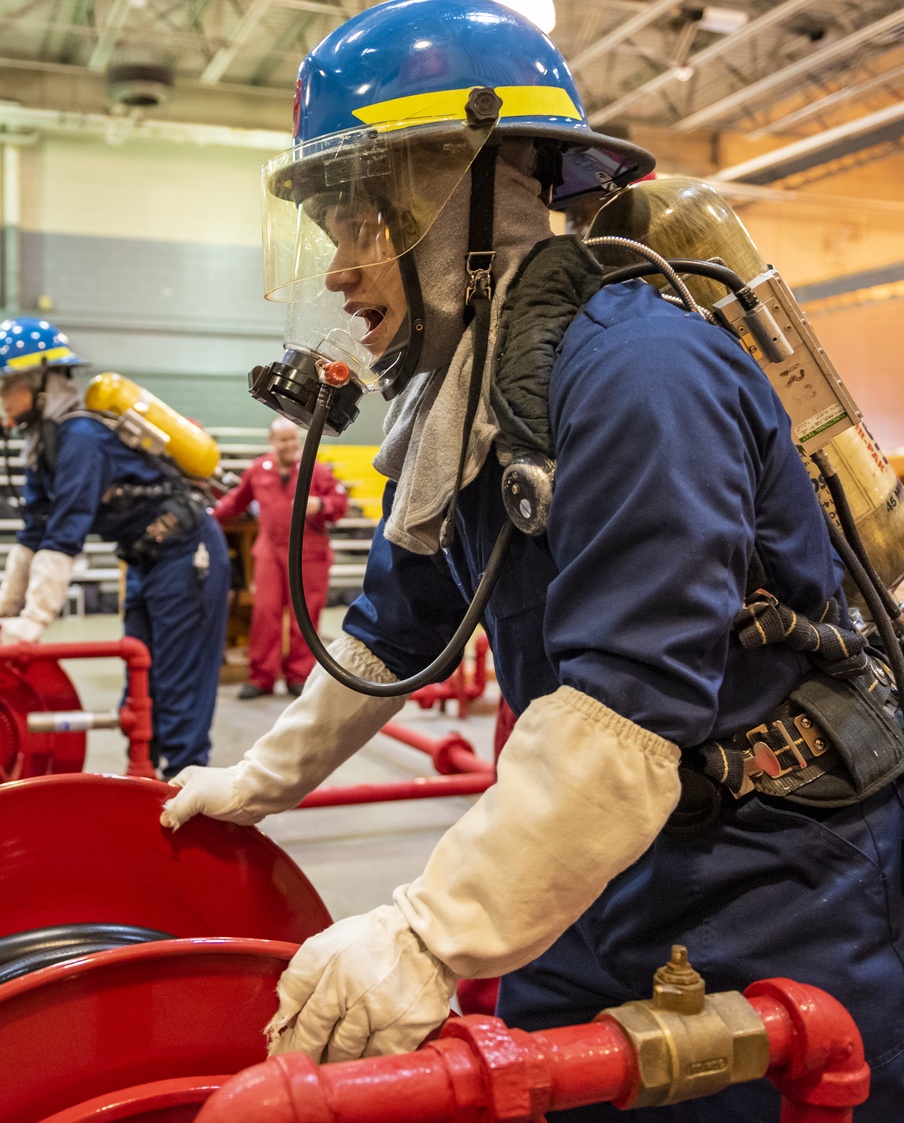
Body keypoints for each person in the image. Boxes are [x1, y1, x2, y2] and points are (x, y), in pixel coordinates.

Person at [159, 2, 904, 1118]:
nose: (341, 268)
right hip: (599, 861)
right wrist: (256, 782)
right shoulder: (463, 406)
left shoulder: (638, 372)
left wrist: (422, 930)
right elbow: (387, 638)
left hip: (774, 879)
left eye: (360, 218)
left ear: (459, 195)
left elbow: (625, 711)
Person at [0, 316, 230, 779]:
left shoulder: (80, 439)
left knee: (178, 684)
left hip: (185, 553)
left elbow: (65, 531)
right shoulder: (45, 442)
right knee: (140, 685)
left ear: (41, 381)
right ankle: (144, 785)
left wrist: (33, 621)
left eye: (9, 386)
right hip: (146, 558)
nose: (3, 399)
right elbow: (34, 530)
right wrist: (8, 603)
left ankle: (185, 787)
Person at [213, 417, 347, 699]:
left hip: (309, 554)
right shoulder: (258, 470)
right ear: (272, 441)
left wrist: (321, 504)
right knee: (265, 613)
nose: (290, 445)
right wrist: (209, 517)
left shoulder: (317, 471)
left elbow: (340, 504)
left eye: (293, 439)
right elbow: (236, 501)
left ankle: (299, 676)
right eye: (283, 439)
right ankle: (261, 677)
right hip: (269, 553)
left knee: (305, 617)